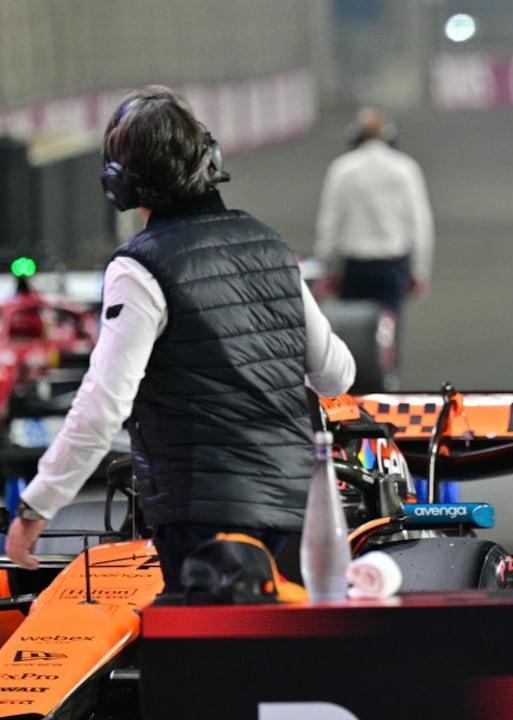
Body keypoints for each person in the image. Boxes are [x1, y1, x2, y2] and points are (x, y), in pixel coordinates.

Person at [4, 86, 356, 593]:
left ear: (119, 185)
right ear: (209, 158)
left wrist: (38, 505)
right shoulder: (270, 244)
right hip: (298, 510)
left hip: (204, 516)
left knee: (212, 669)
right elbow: (335, 373)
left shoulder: (139, 267)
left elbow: (103, 406)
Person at [313, 106, 435, 319]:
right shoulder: (404, 168)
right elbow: (419, 223)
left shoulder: (342, 169)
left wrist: (326, 266)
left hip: (355, 267)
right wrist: (419, 270)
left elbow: (329, 223)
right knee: (389, 337)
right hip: (392, 264)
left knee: (351, 337)